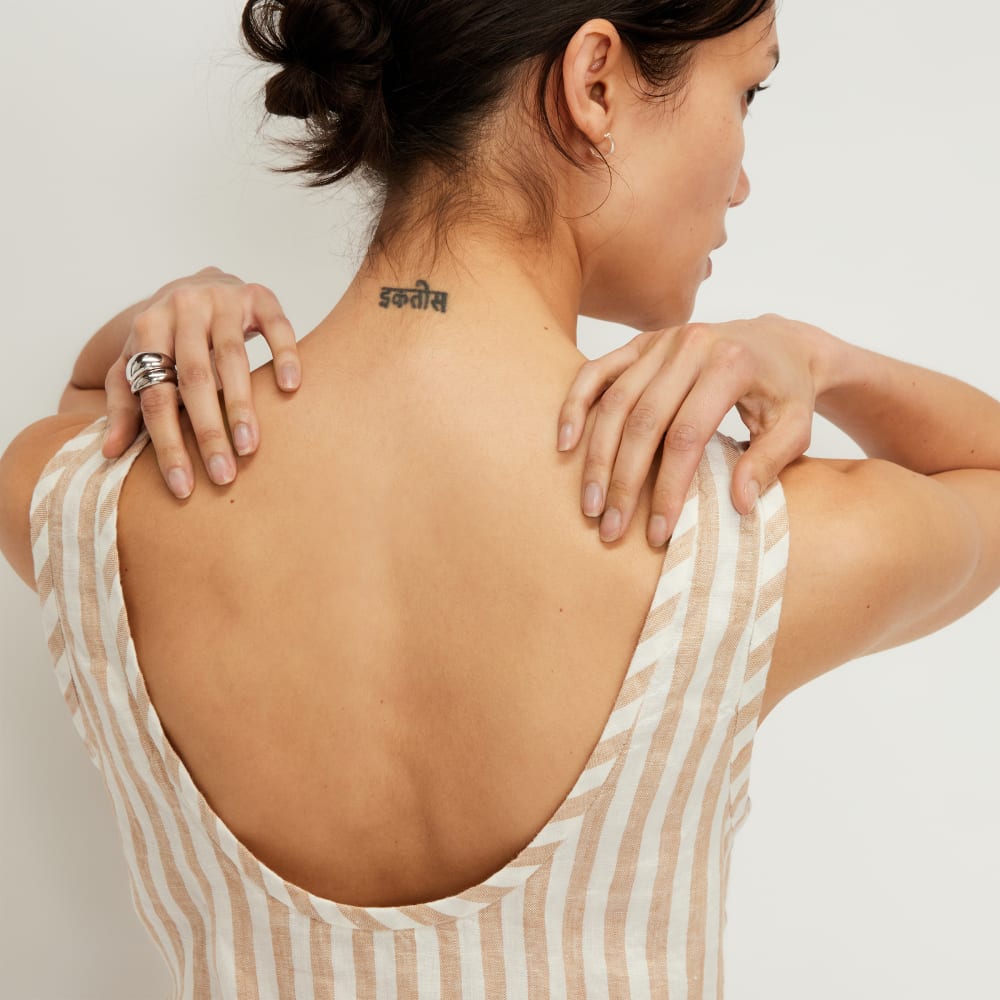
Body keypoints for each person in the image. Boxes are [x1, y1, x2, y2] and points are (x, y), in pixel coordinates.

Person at [0, 1, 998, 997]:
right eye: (746, 91)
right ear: (594, 82)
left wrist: (151, 335)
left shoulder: (93, 510)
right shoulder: (735, 541)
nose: (742, 179)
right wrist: (821, 358)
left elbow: (90, 412)